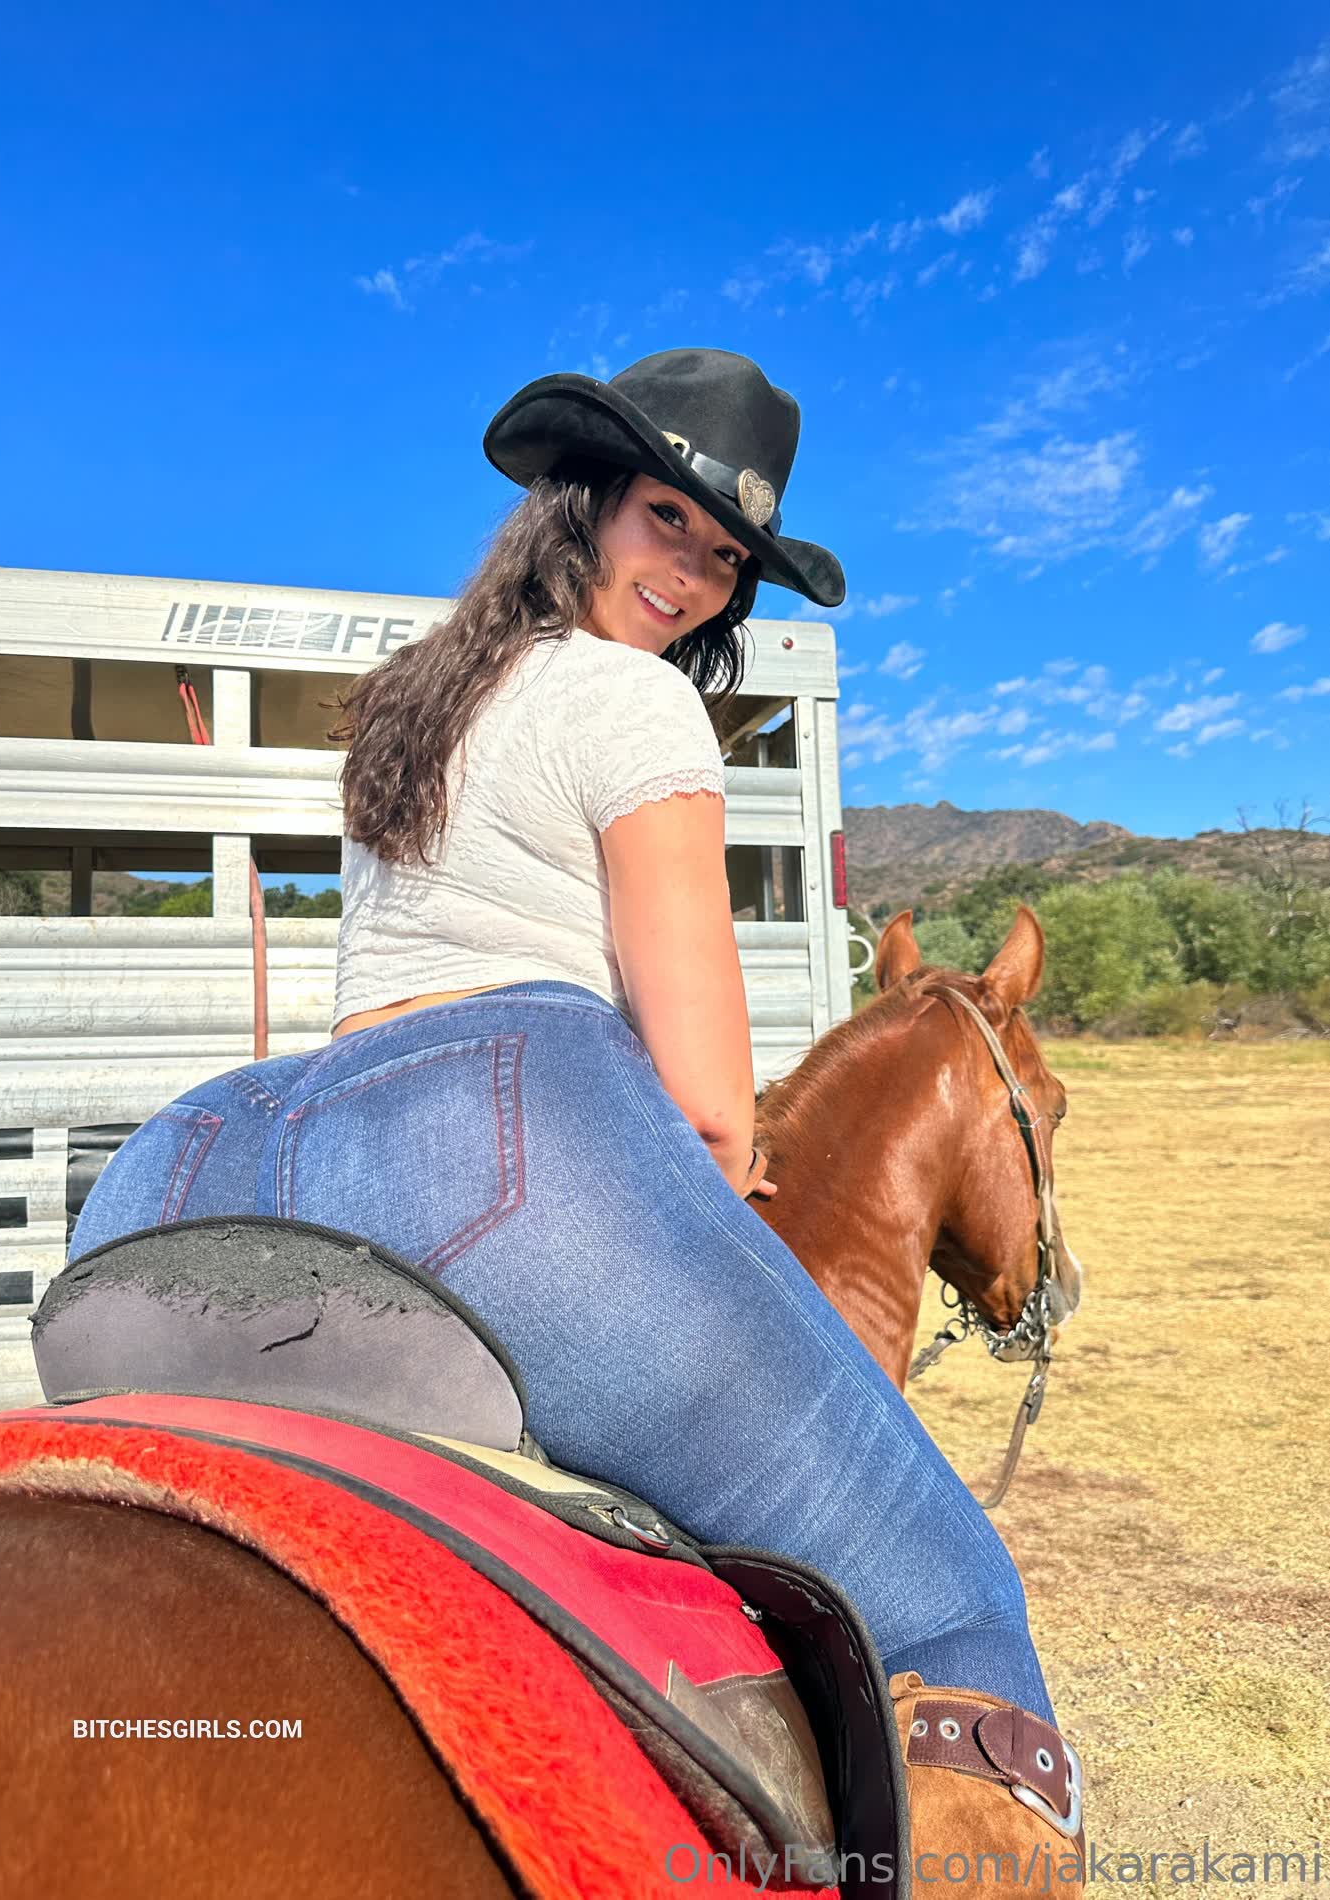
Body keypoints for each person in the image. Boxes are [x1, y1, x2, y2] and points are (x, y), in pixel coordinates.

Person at [69, 349, 1085, 1885]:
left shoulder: (419, 696)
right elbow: (705, 1106)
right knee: (953, 1601)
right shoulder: (635, 702)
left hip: (197, 1164)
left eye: (724, 558)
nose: (691, 575)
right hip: (489, 1152)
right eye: (668, 518)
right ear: (585, 499)